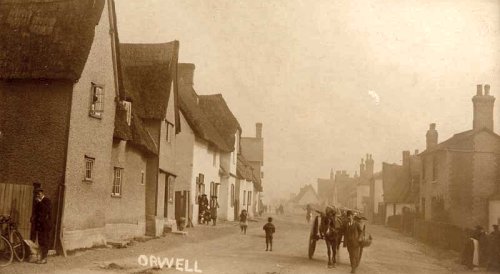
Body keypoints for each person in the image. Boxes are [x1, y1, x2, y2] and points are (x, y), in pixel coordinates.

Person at [31, 188, 52, 264]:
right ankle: (40, 257)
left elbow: (46, 210)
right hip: (39, 225)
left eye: (39, 194)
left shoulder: (47, 200)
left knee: (45, 242)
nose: (38, 196)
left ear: (42, 193)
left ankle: (44, 258)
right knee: (40, 242)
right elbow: (36, 212)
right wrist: (33, 218)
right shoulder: (38, 202)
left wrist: (40, 202)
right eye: (37, 194)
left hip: (45, 225)